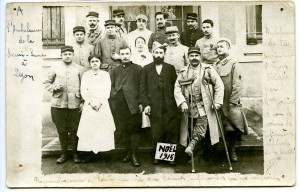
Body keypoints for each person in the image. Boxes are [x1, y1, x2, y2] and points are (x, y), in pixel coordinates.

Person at [174, 47, 224, 159]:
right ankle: (193, 153)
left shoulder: (208, 69)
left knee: (205, 127)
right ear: (188, 57)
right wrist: (182, 102)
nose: (194, 58)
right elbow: (177, 87)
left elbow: (219, 85)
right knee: (190, 129)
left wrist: (217, 102)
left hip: (205, 105)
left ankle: (201, 153)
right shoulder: (183, 71)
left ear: (200, 56)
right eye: (191, 56)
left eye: (196, 55)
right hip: (189, 105)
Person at [44, 46, 84, 164]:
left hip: (75, 105)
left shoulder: (79, 69)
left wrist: (82, 101)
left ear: (73, 55)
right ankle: (63, 154)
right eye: (65, 54)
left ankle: (75, 154)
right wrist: (53, 88)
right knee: (61, 130)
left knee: (74, 129)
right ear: (61, 55)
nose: (67, 56)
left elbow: (83, 86)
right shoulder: (55, 68)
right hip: (58, 105)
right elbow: (46, 83)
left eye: (69, 54)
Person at [140, 44, 178, 166]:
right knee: (157, 132)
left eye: (161, 53)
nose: (158, 55)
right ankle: (158, 156)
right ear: (152, 53)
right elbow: (143, 88)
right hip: (154, 105)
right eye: (156, 53)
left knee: (170, 131)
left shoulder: (170, 68)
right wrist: (146, 104)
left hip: (169, 105)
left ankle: (169, 157)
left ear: (164, 54)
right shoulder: (146, 69)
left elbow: (176, 87)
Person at [77, 55, 116, 162]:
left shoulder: (105, 74)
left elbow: (107, 90)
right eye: (92, 61)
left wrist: (99, 102)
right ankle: (88, 154)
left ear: (100, 63)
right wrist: (90, 102)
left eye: (97, 61)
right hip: (89, 105)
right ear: (90, 63)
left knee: (103, 128)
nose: (94, 63)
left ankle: (104, 154)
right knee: (89, 129)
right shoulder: (86, 75)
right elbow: (83, 90)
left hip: (102, 105)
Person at [110, 46, 143, 167]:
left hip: (133, 104)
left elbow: (142, 87)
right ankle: (128, 152)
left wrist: (141, 102)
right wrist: (114, 94)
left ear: (130, 54)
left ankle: (134, 155)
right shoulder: (115, 70)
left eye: (127, 54)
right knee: (123, 129)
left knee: (134, 129)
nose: (124, 56)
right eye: (122, 54)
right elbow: (111, 85)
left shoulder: (138, 69)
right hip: (120, 104)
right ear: (120, 55)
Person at [213, 38, 243, 162]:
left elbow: (237, 84)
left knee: (232, 128)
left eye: (222, 46)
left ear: (228, 48)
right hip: (218, 101)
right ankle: (218, 151)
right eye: (218, 47)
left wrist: (233, 102)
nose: (219, 49)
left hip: (230, 101)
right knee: (219, 126)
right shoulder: (215, 65)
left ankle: (232, 151)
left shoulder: (234, 63)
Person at [130, 36, 152, 128]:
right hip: (135, 80)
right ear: (135, 45)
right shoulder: (132, 56)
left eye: (141, 42)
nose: (139, 44)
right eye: (137, 42)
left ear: (145, 44)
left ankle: (147, 125)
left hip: (147, 80)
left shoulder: (150, 55)